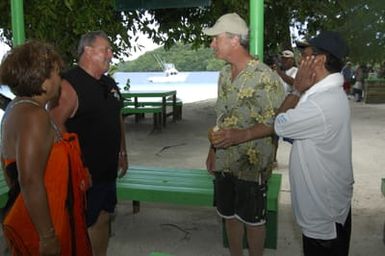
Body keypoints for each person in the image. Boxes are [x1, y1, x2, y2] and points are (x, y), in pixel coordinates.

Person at [211, 31, 354, 256]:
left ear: (320, 60)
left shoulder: (321, 103)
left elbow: (280, 123)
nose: (300, 61)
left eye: (305, 55)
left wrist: (297, 88)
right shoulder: (326, 96)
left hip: (324, 209)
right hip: (327, 201)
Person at [0, 41, 92, 255]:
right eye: (58, 73)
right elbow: (30, 180)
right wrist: (48, 236)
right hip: (44, 223)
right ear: (42, 78)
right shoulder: (34, 116)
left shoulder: (18, 109)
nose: (61, 79)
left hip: (47, 212)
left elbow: (11, 171)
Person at [204, 13, 284, 256]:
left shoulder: (266, 78)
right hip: (225, 161)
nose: (212, 44)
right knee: (229, 215)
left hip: (253, 164)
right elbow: (221, 118)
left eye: (216, 39)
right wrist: (212, 150)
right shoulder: (224, 76)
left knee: (253, 221)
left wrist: (241, 135)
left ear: (234, 40)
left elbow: (278, 123)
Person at [49, 31, 128, 256]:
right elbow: (54, 125)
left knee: (103, 218)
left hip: (107, 169)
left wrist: (122, 151)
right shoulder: (69, 84)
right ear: (88, 51)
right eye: (106, 50)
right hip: (82, 175)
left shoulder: (108, 82)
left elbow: (117, 117)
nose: (111, 55)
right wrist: (78, 167)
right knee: (78, 225)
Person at [271, 50, 298, 164]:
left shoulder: (296, 71)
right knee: (273, 133)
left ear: (292, 60)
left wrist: (279, 73)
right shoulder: (280, 71)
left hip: (291, 107)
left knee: (294, 136)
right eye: (282, 59)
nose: (284, 61)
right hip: (279, 105)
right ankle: (273, 159)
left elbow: (294, 83)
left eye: (286, 60)